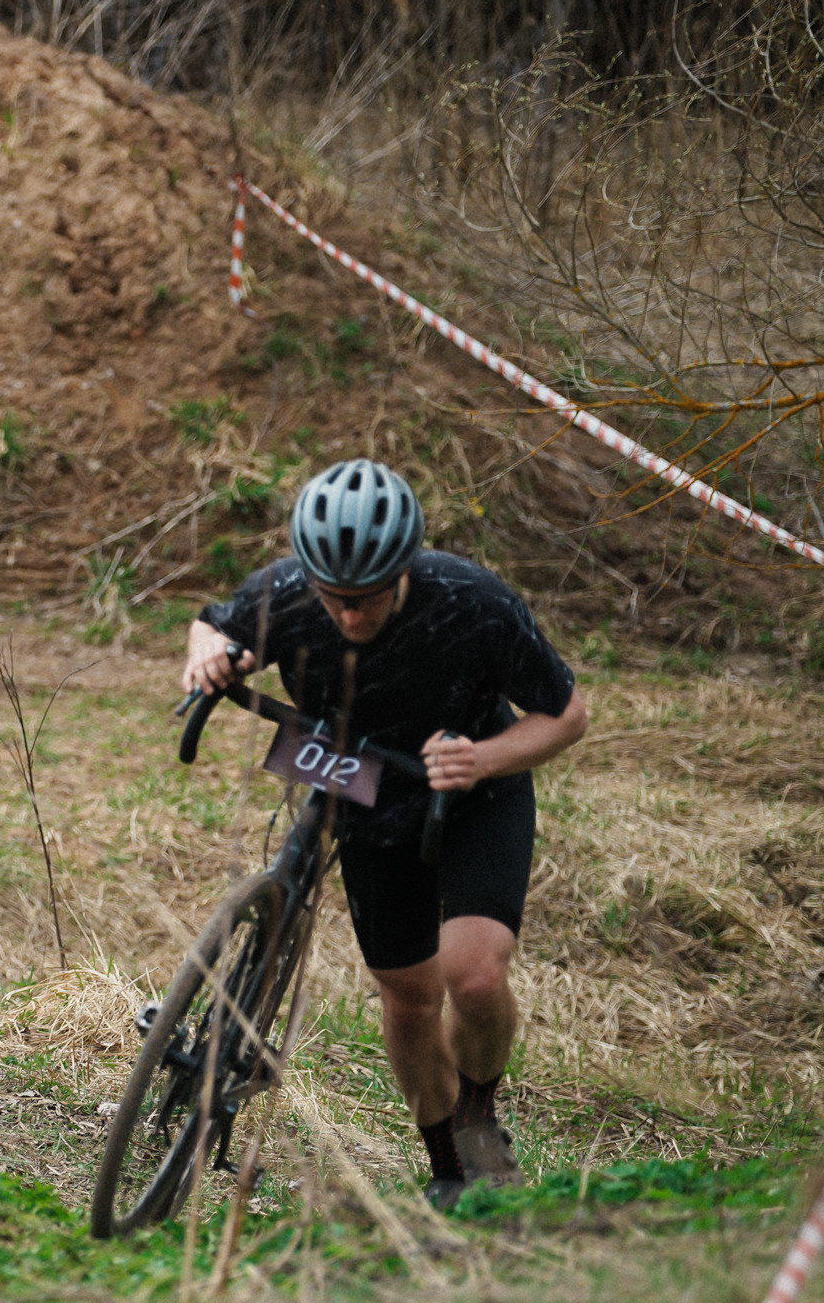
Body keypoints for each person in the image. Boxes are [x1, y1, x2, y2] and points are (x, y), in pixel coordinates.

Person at [183, 459, 588, 1208]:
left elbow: (568, 715)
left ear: (404, 570)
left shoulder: (475, 602)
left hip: (472, 787)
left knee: (473, 975)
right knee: (407, 1000)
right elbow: (215, 625)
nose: (348, 616)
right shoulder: (292, 590)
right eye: (333, 599)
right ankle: (446, 1169)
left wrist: (483, 758)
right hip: (362, 783)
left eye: (365, 600)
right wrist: (205, 652)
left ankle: (477, 1118)